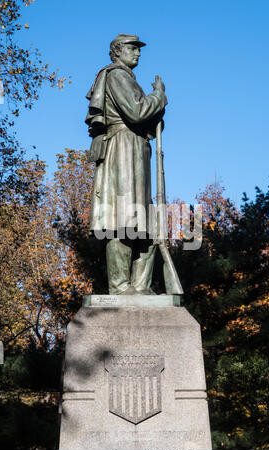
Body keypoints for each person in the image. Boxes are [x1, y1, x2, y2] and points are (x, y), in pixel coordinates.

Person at [85, 34, 167, 295]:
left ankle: (141, 286)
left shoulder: (127, 78)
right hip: (123, 148)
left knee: (147, 221)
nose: (138, 53)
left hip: (135, 148)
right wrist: (158, 97)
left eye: (139, 49)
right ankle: (120, 287)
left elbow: (142, 117)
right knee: (123, 217)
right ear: (118, 51)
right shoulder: (117, 75)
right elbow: (136, 111)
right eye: (133, 48)